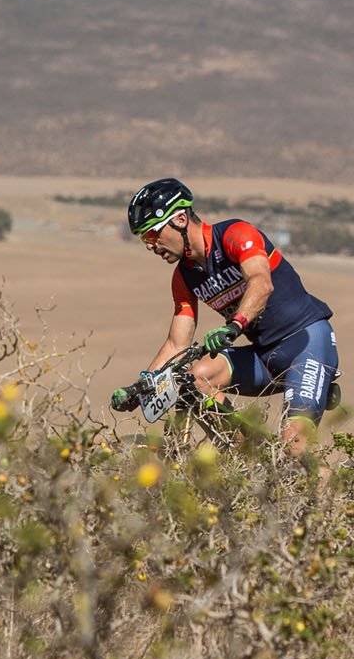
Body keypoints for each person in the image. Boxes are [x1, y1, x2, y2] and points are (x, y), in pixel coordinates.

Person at [122, 178, 339, 455]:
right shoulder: (184, 277)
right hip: (263, 356)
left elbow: (261, 283)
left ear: (179, 219)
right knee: (194, 378)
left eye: (151, 236)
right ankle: (248, 455)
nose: (150, 247)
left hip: (306, 343)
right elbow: (176, 345)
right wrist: (141, 387)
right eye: (144, 241)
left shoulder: (236, 234)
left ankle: (328, 495)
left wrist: (235, 326)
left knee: (295, 444)